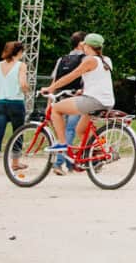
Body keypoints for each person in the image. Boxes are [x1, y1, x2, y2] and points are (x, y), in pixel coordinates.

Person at [41, 33, 114, 172]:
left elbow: (71, 76)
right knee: (80, 130)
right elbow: (98, 80)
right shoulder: (107, 60)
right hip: (106, 101)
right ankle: (99, 151)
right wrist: (84, 90)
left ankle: (61, 144)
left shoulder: (89, 60)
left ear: (87, 46)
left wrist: (51, 88)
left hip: (92, 101)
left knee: (55, 109)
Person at [0, 41, 30, 175]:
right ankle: (15, 163)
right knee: (17, 133)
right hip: (15, 103)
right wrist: (27, 91)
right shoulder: (21, 65)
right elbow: (22, 83)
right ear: (18, 52)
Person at [49, 31, 86, 171]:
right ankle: (59, 163)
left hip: (60, 98)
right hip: (76, 98)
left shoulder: (62, 59)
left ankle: (70, 163)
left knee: (61, 132)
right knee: (70, 130)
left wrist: (50, 101)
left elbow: (55, 80)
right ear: (81, 43)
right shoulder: (85, 59)